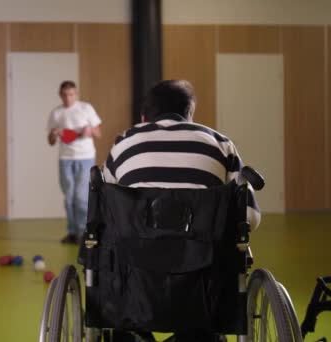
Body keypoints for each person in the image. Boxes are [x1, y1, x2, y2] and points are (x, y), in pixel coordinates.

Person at [102, 79, 260, 342]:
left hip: (134, 282)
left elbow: (106, 215)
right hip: (205, 287)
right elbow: (249, 218)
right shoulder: (220, 144)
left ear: (144, 118)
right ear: (190, 114)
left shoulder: (122, 146)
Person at [47, 80, 102, 244]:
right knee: (69, 197)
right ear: (60, 95)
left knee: (81, 196)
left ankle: (83, 232)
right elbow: (50, 141)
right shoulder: (56, 113)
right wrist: (54, 134)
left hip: (85, 157)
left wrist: (90, 130)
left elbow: (98, 132)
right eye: (64, 95)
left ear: (76, 94)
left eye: (71, 94)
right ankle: (72, 232)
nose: (68, 98)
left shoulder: (86, 108)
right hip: (65, 159)